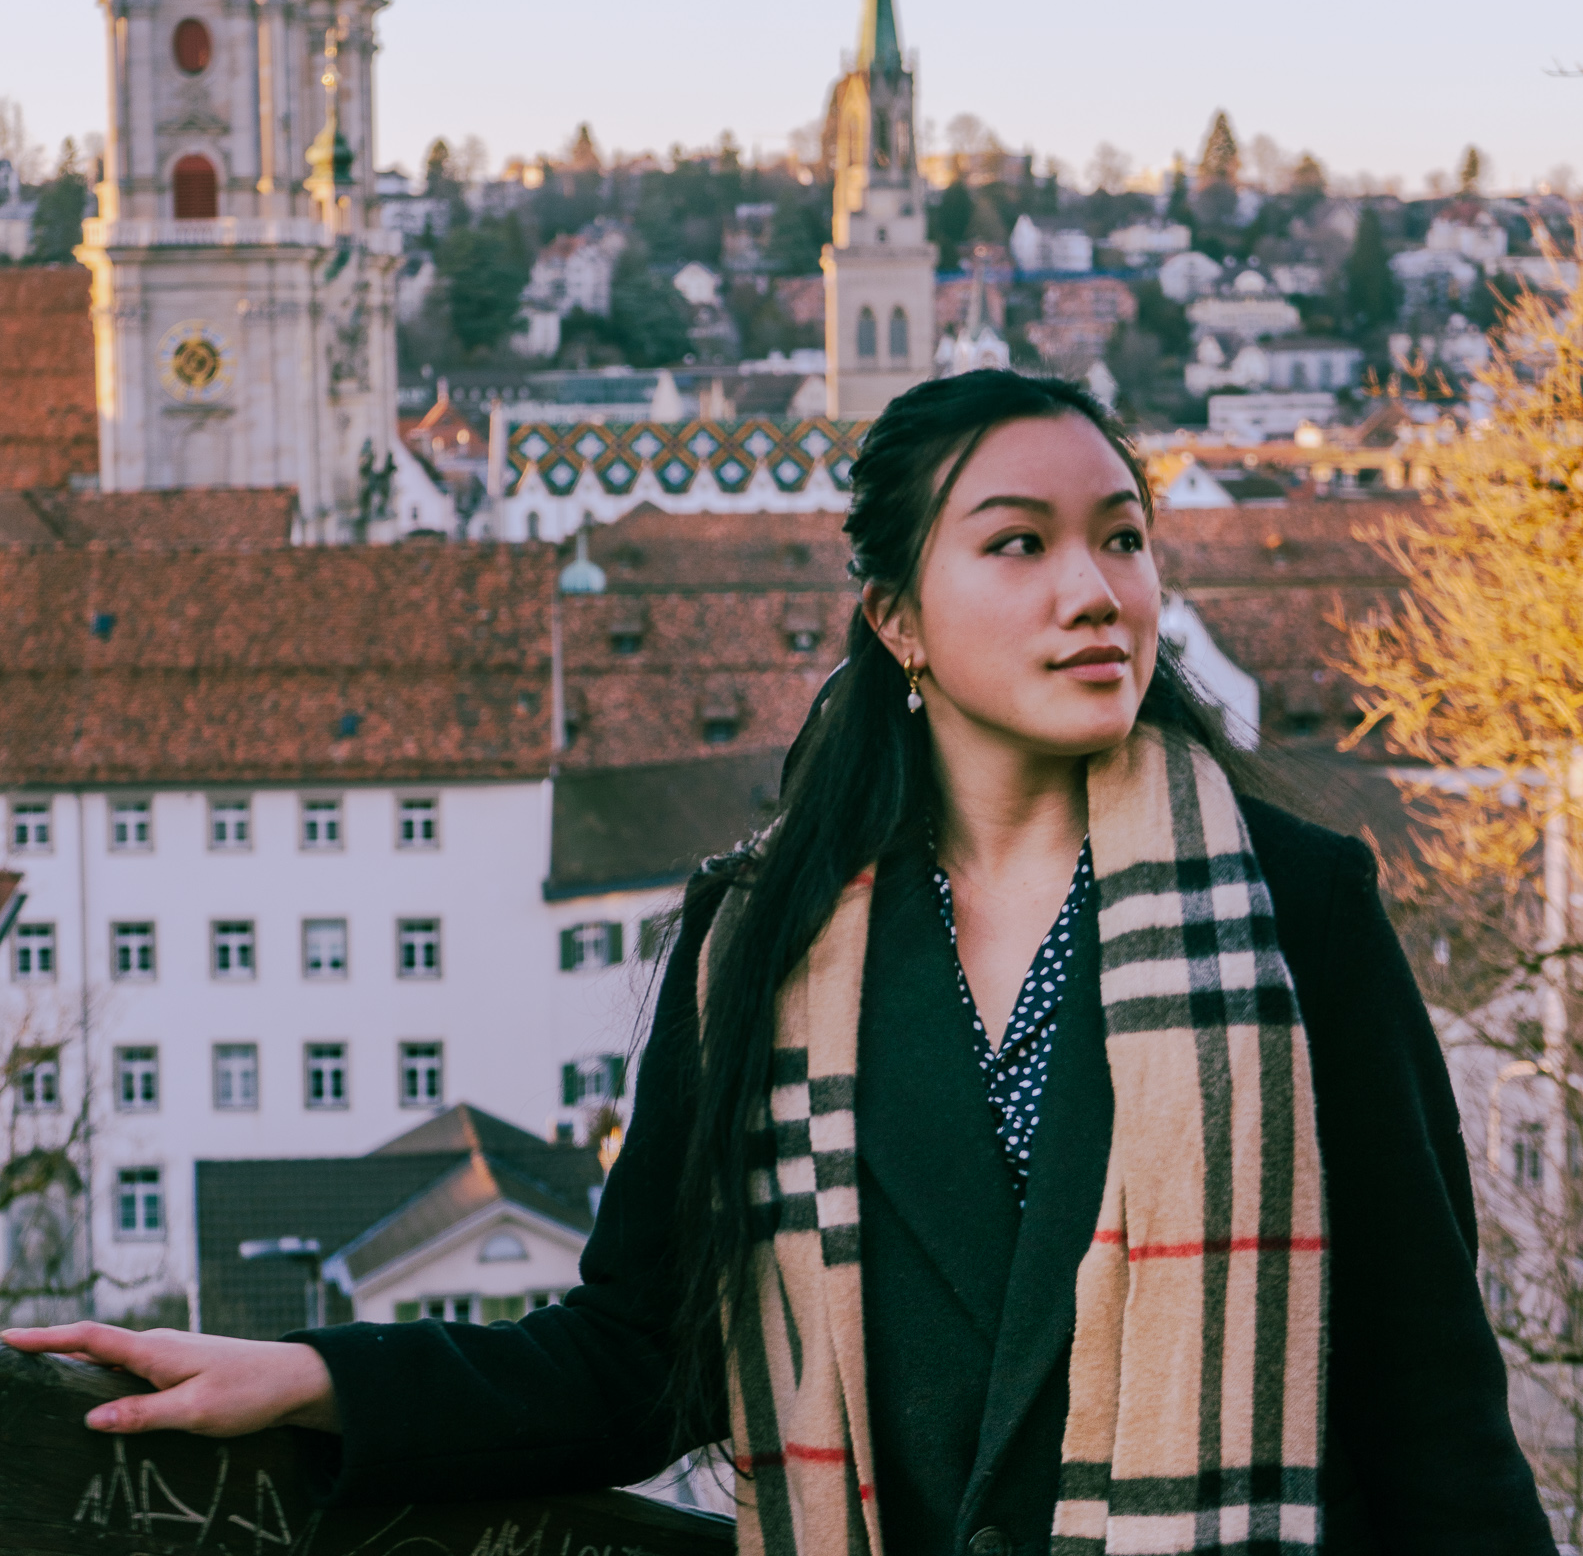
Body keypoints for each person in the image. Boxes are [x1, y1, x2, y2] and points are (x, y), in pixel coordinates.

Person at [5, 372, 1553, 1556]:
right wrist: (318, 1377)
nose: (1099, 591)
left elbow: (1431, 1404)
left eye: (1125, 539)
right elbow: (630, 1362)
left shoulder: (1298, 910)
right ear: (899, 622)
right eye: (1019, 545)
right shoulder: (759, 947)